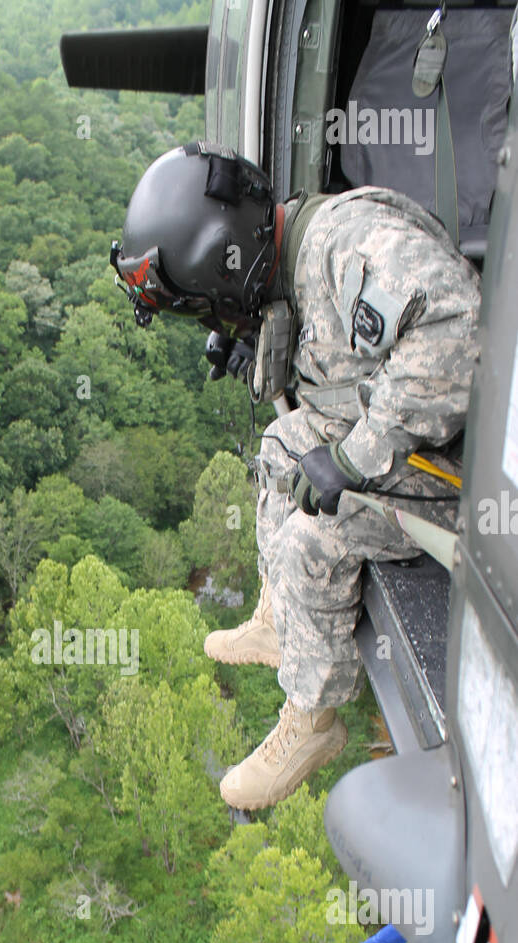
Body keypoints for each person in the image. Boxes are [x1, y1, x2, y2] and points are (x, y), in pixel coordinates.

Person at [112, 141, 482, 809]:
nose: (217, 318)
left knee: (316, 537)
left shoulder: (345, 245)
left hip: (471, 474)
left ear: (232, 265)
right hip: (420, 441)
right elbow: (337, 360)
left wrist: (354, 458)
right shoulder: (293, 259)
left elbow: (458, 334)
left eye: (211, 306)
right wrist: (253, 344)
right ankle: (281, 617)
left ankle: (312, 719)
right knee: (283, 443)